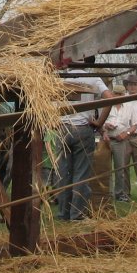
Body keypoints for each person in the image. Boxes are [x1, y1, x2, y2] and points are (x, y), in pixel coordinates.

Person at [55, 74, 114, 221]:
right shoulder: (93, 79)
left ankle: (64, 214)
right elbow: (110, 98)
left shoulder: (60, 79)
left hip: (62, 128)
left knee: (63, 174)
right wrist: (100, 122)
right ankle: (77, 215)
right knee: (81, 175)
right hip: (82, 129)